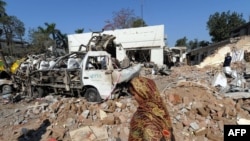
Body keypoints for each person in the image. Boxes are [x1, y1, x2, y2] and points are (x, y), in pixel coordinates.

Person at [128, 76, 175, 141]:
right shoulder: (159, 107)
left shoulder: (148, 120)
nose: (133, 98)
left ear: (143, 93)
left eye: (134, 94)